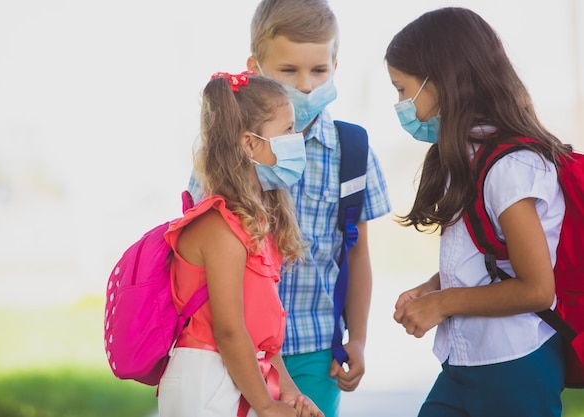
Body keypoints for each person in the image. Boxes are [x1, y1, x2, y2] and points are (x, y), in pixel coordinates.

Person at [190, 1, 391, 416]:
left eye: (319, 70)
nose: (305, 85)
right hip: (230, 351)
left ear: (336, 64)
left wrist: (358, 338)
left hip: (317, 351)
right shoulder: (223, 156)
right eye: (288, 70)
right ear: (255, 66)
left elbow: (356, 251)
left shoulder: (352, 152)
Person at [386, 7, 567, 417]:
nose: (399, 105)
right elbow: (485, 259)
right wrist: (432, 288)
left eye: (402, 90)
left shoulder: (509, 168)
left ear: (441, 81)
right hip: (464, 365)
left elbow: (537, 289)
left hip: (515, 368)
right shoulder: (465, 157)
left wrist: (444, 302)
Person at [159, 71, 324, 417]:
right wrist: (265, 405)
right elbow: (230, 331)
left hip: (237, 373)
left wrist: (289, 394)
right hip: (208, 381)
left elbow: (257, 332)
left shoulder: (253, 222)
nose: (298, 138)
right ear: (250, 144)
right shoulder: (219, 227)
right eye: (288, 130)